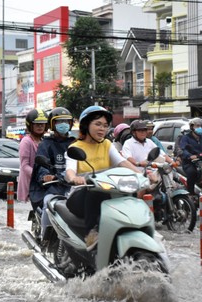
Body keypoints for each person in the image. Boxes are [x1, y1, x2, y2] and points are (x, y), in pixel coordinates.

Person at [65, 106, 145, 247]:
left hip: (106, 191)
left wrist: (142, 176)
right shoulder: (75, 147)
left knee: (128, 194)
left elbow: (122, 162)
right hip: (81, 194)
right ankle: (91, 233)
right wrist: (74, 178)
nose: (102, 129)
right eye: (97, 124)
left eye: (105, 125)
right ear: (85, 125)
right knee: (95, 192)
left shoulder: (107, 144)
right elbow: (70, 170)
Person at [34, 107, 75, 242]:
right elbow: (41, 164)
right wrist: (46, 175)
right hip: (55, 186)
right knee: (48, 205)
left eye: (66, 121)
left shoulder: (75, 143)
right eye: (59, 122)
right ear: (52, 124)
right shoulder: (46, 144)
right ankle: (45, 239)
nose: (63, 124)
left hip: (74, 186)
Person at [177, 118, 202, 197]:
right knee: (192, 172)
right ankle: (191, 193)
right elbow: (182, 149)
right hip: (190, 162)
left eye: (201, 126)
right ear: (192, 127)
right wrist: (189, 156)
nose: (200, 128)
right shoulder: (186, 138)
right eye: (197, 126)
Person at [18, 108, 49, 208]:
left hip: (45, 183)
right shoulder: (26, 141)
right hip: (31, 185)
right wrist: (39, 176)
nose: (40, 126)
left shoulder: (45, 141)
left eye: (42, 124)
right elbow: (25, 165)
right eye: (37, 124)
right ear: (30, 125)